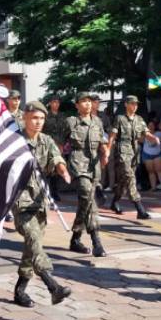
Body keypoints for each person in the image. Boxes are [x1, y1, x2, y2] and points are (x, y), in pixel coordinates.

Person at [8, 100, 73, 307]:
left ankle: (19, 291)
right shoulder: (14, 141)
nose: (38, 122)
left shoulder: (46, 140)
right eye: (34, 118)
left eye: (42, 118)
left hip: (40, 202)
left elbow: (55, 157)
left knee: (31, 248)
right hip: (21, 202)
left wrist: (63, 170)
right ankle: (53, 286)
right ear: (25, 118)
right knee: (34, 241)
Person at [66, 92, 109, 257]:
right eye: (83, 101)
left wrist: (105, 153)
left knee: (86, 202)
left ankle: (75, 238)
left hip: (94, 166)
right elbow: (58, 142)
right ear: (77, 105)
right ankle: (96, 241)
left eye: (89, 101)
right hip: (78, 163)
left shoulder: (97, 121)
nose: (88, 104)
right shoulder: (71, 122)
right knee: (87, 197)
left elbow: (102, 140)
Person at [108, 95, 159, 219]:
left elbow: (145, 132)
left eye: (136, 104)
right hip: (122, 150)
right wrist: (108, 150)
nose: (134, 106)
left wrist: (153, 137)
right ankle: (139, 208)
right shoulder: (120, 118)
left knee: (123, 180)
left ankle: (114, 202)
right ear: (126, 104)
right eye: (132, 103)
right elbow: (113, 135)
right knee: (130, 177)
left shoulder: (139, 119)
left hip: (135, 152)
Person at [43, 94, 67, 202]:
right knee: (47, 169)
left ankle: (55, 192)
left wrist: (62, 144)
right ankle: (45, 192)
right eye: (53, 102)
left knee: (56, 170)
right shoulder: (46, 116)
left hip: (59, 146)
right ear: (50, 103)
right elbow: (42, 131)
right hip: (47, 145)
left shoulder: (62, 116)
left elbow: (66, 131)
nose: (56, 104)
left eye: (57, 102)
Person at [141, 119, 161, 191]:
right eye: (149, 125)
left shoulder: (158, 133)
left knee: (160, 171)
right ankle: (153, 187)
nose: (151, 127)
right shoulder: (144, 134)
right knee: (151, 172)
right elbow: (140, 140)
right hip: (147, 154)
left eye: (152, 125)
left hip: (157, 154)